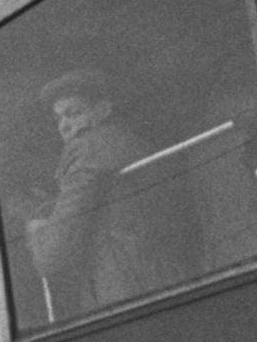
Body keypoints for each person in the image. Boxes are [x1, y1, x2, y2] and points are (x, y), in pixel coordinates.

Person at [26, 69, 179, 316]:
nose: (64, 126)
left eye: (73, 113)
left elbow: (53, 255)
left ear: (103, 110)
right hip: (162, 281)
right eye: (58, 119)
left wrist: (38, 233)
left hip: (123, 296)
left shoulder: (87, 150)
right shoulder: (132, 145)